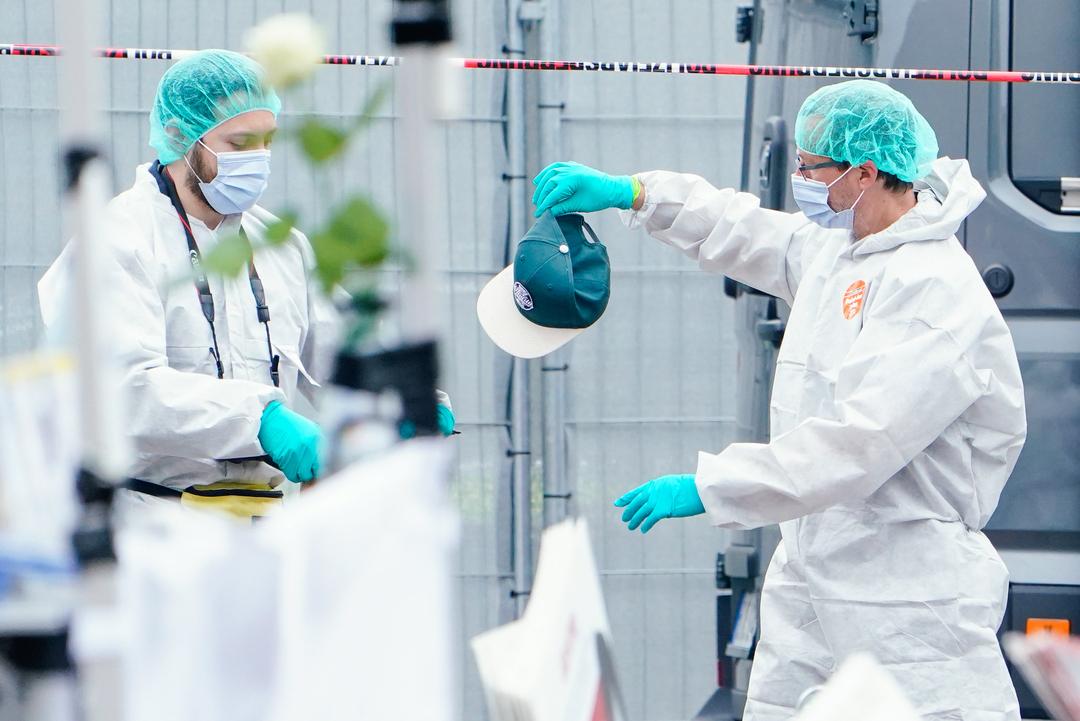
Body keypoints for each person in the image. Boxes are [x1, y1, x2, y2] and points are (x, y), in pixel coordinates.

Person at [532, 80, 1026, 720]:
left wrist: (713, 485)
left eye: (811, 167)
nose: (799, 177)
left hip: (905, 596)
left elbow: (858, 445)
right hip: (815, 573)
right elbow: (746, 230)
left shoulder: (932, 291)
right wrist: (637, 194)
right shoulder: (842, 250)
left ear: (865, 172)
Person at [38, 50, 454, 519]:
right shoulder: (116, 239)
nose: (257, 159)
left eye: (266, 141)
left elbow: (341, 356)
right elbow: (121, 390)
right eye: (239, 143)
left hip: (267, 524)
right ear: (177, 135)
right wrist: (262, 418)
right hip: (151, 523)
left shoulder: (282, 246)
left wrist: (404, 400)